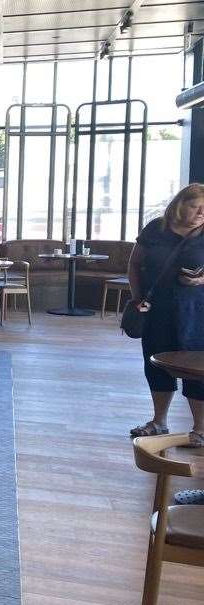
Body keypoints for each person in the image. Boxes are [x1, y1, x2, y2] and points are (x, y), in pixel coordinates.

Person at [127, 182, 204, 446]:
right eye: (196, 206)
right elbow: (135, 264)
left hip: (196, 313)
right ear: (181, 204)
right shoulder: (155, 229)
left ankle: (200, 429)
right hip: (157, 310)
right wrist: (137, 297)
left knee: (196, 368)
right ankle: (158, 421)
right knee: (156, 363)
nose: (201, 213)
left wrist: (201, 281)